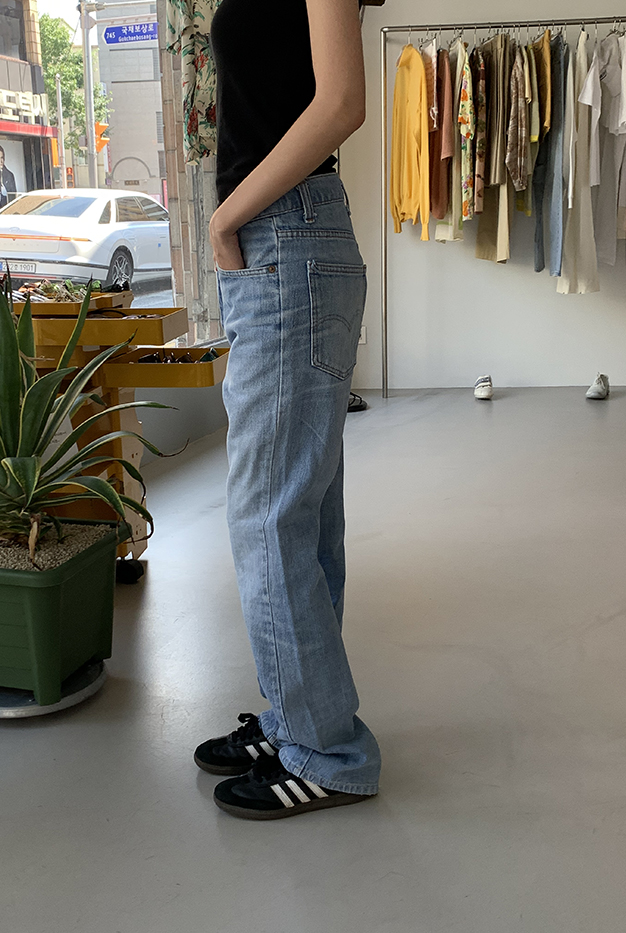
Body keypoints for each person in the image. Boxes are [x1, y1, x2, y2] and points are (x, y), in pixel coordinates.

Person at [193, 0, 381, 820]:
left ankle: (328, 752)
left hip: (285, 237)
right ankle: (297, 717)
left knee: (268, 515)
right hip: (288, 241)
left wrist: (226, 216)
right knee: (299, 512)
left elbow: (341, 101)